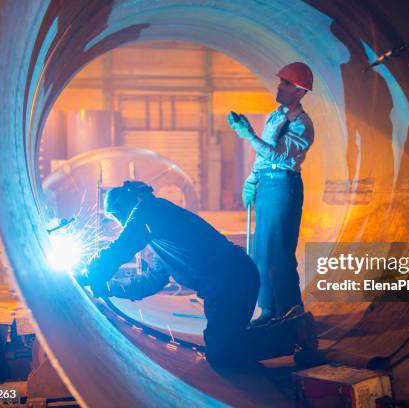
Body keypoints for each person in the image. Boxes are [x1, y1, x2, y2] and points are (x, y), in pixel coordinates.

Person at [79, 180, 318, 368]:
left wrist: (90, 272)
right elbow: (150, 281)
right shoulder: (160, 239)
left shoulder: (150, 211)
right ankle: (291, 325)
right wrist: (109, 287)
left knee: (221, 355)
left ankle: (293, 331)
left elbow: (122, 245)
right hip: (227, 283)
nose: (119, 223)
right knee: (226, 343)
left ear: (126, 207)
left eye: (116, 216)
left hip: (231, 280)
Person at [227, 62, 314, 325]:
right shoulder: (275, 116)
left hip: (282, 186)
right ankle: (269, 310)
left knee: (279, 254)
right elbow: (263, 156)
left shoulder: (302, 124)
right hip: (266, 185)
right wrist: (252, 180)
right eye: (281, 81)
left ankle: (291, 313)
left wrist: (248, 135)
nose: (279, 86)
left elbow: (278, 155)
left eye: (286, 83)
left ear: (299, 91)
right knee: (262, 253)